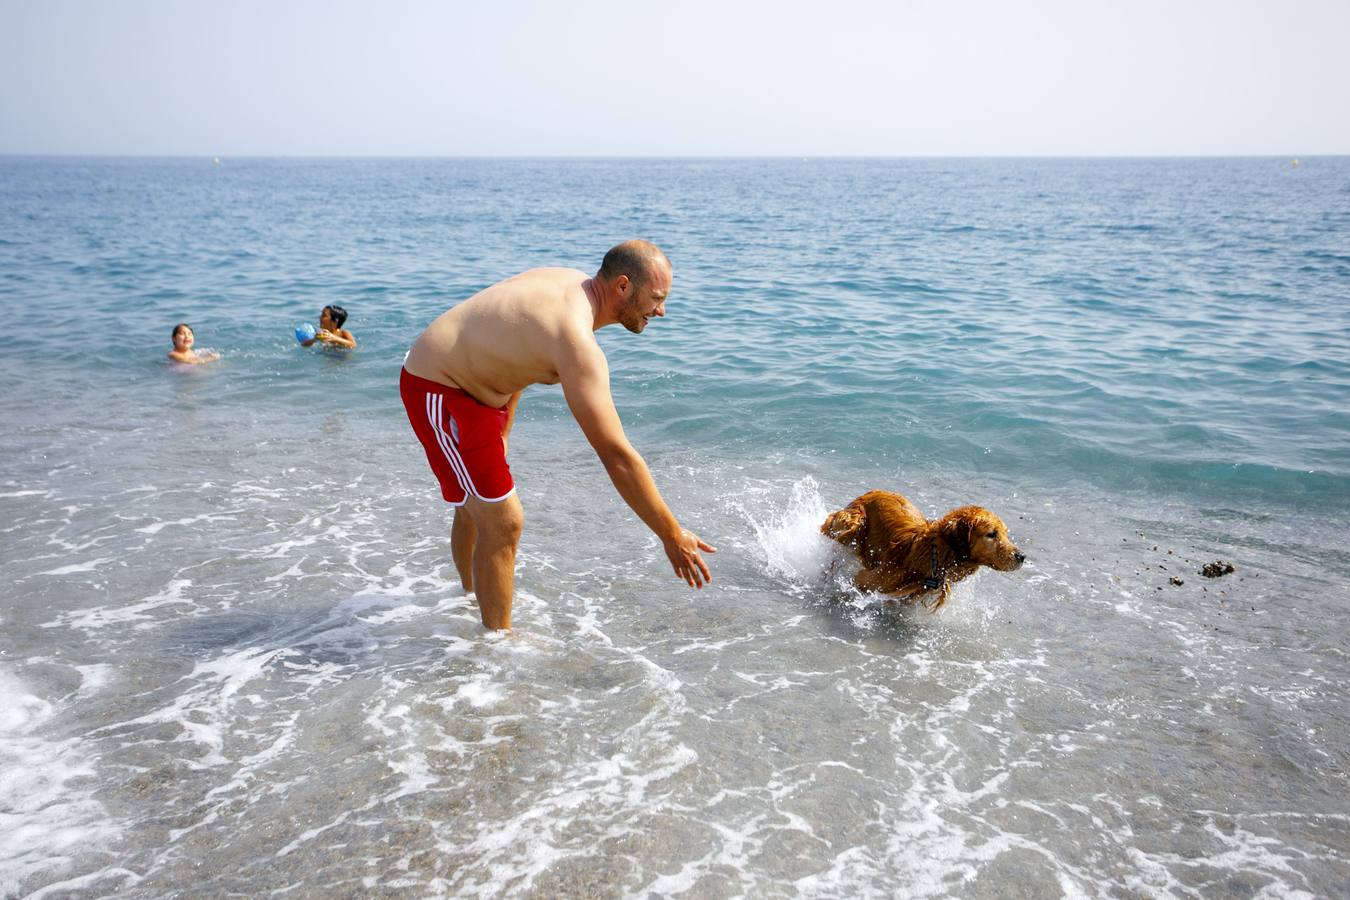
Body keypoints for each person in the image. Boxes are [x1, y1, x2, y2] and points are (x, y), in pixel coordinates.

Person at [401, 240, 715, 630]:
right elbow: (615, 454)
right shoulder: (576, 339)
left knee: (478, 506)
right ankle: (494, 655)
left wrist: (503, 432)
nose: (661, 311)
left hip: (479, 390)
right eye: (656, 298)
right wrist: (670, 534)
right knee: (503, 521)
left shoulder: (569, 285)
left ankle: (467, 601)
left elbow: (515, 353)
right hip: (439, 386)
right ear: (622, 286)